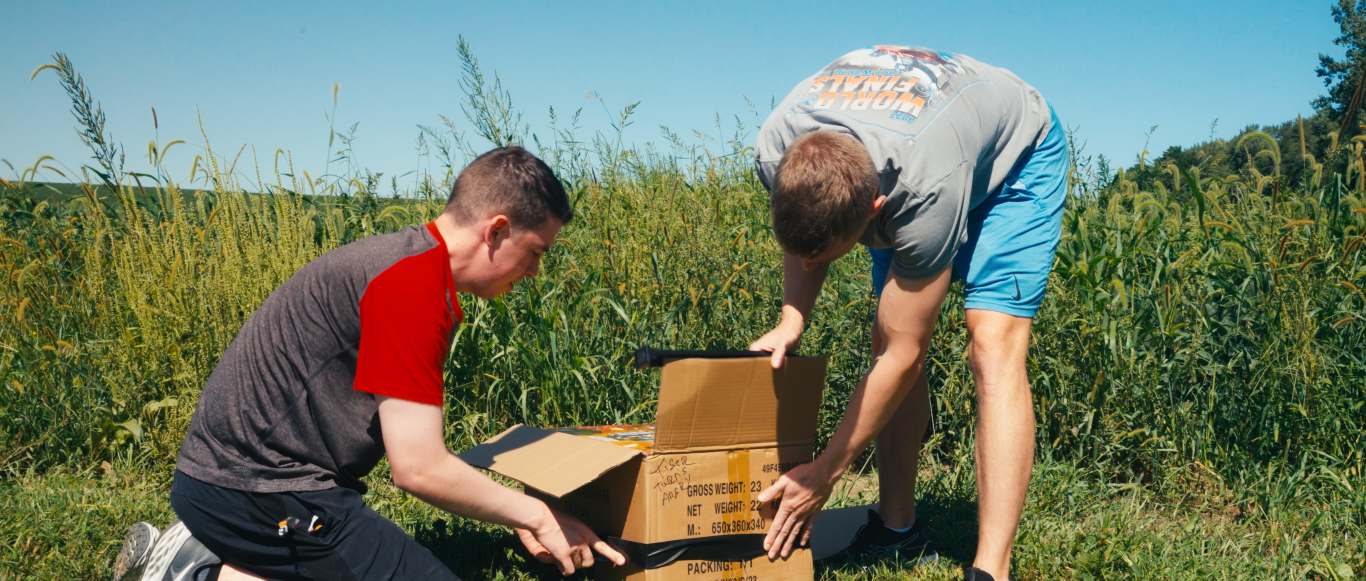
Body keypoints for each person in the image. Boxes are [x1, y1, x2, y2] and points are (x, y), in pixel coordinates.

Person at [113, 146, 625, 581]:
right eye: (536, 252)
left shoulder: (408, 266)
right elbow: (419, 468)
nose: (536, 271)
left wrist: (511, 511)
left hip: (231, 482)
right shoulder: (411, 290)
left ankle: (194, 565)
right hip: (260, 487)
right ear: (496, 230)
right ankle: (205, 558)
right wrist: (535, 515)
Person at [748, 46, 1067, 581]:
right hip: (913, 141)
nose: (810, 265)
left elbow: (906, 354)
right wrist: (791, 318)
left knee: (991, 344)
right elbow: (810, 233)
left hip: (1016, 158)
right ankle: (897, 531)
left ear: (877, 210)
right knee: (883, 336)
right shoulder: (775, 148)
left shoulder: (921, 193)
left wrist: (826, 471)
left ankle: (992, 568)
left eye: (824, 256)